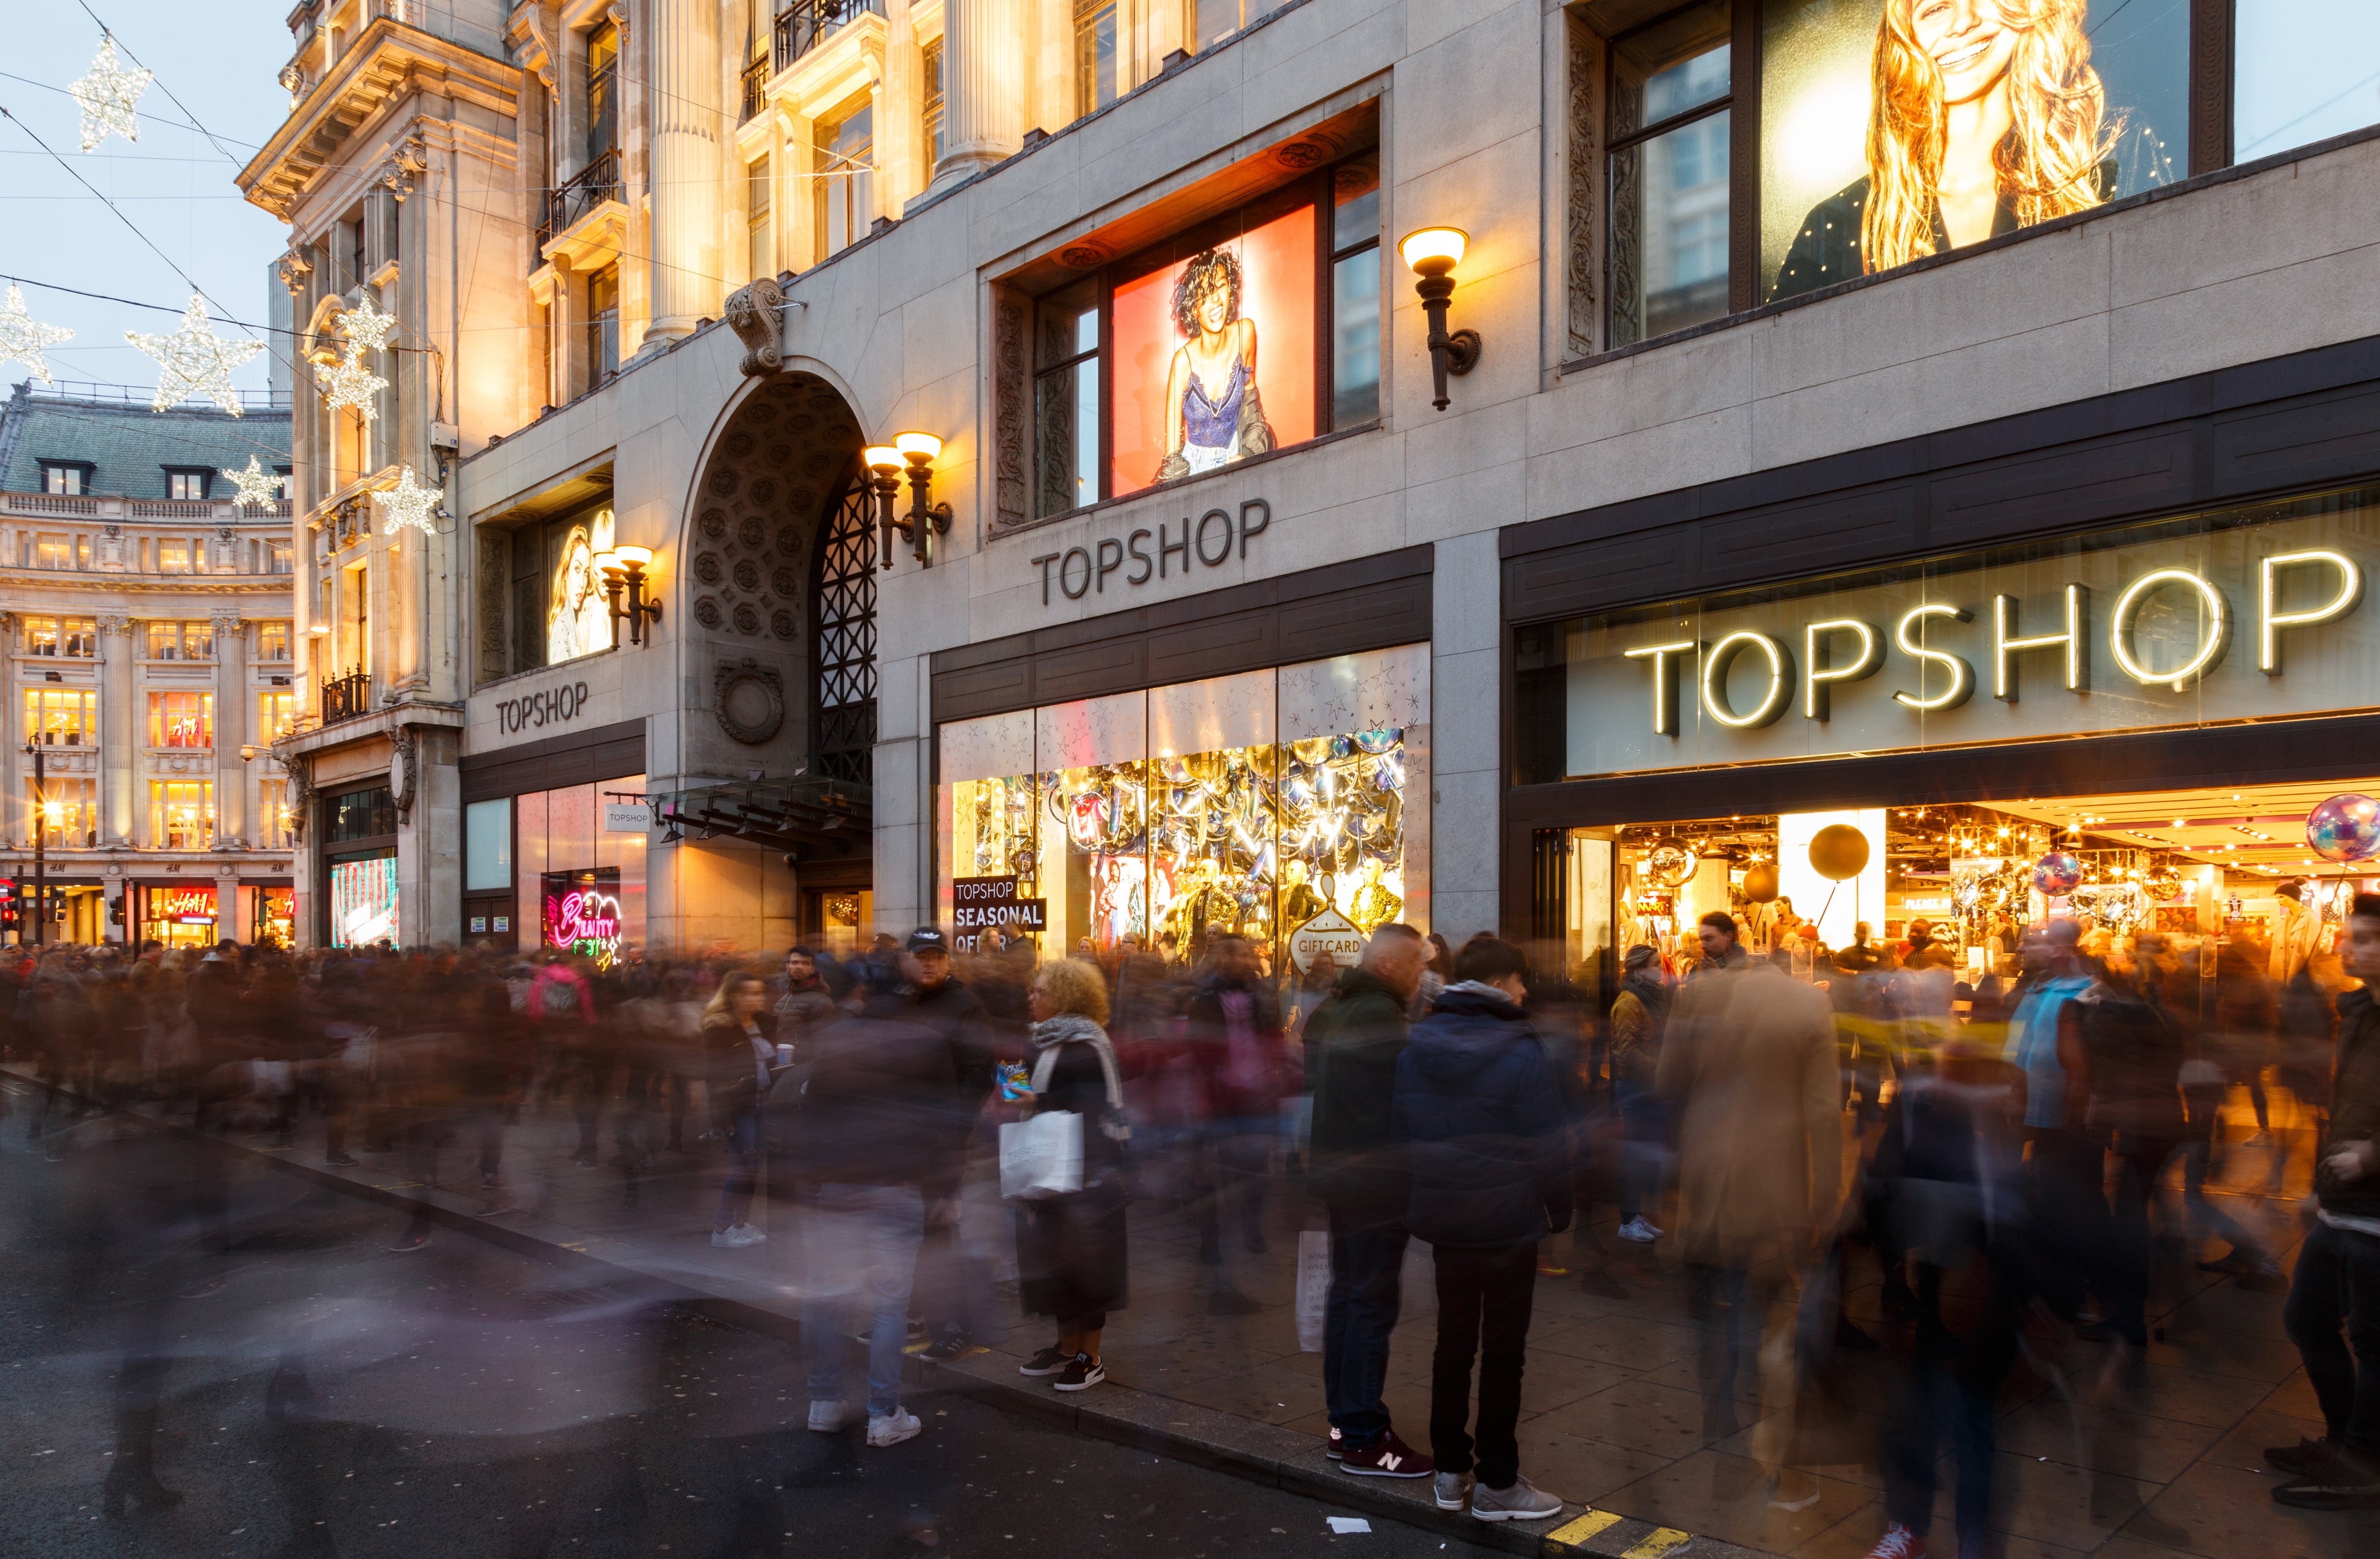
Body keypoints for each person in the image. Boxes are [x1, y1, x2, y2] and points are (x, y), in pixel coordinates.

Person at [1769, 0, 2130, 303]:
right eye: (1936, 8)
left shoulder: (2099, 174)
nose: (1963, 22)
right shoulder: (1839, 221)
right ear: (1904, 36)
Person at [1658, 910, 1842, 1503]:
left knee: (1710, 1321)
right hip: (1772, 1189)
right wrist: (1824, 1198)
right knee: (1757, 1318)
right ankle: (1760, 1452)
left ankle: (1719, 1427)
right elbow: (1821, 1112)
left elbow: (1667, 1082)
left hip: (1706, 1179)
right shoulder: (1808, 1006)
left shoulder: (1699, 996)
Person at [1393, 935, 1570, 1521]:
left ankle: (1450, 1472)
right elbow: (1546, 1140)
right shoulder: (1520, 1045)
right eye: (1520, 981)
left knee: (1453, 1340)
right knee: (1502, 1350)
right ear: (1499, 984)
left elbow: (1402, 1127)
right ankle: (1497, 1482)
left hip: (1447, 1217)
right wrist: (1560, 1206)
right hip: (1507, 1219)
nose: (1525, 991)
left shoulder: (1420, 1039)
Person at [791, 955, 977, 1449]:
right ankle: (883, 1413)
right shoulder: (926, 1043)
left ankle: (825, 1403)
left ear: (861, 995)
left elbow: (812, 1117)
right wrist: (946, 1191)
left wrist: (809, 1182)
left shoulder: (833, 1041)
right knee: (890, 1306)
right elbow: (945, 1123)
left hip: (838, 1187)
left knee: (829, 1299)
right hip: (898, 1187)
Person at [1305, 923, 1435, 1478]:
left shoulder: (1336, 1007)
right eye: (1414, 964)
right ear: (1387, 964)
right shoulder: (1380, 1016)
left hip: (1341, 1174)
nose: (1420, 975)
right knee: (1369, 1302)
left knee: (1347, 1293)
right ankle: (1363, 1434)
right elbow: (1407, 1100)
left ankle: (1344, 1424)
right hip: (1375, 1181)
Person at [2269, 891, 2380, 1509]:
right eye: (2349, 934)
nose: (2347, 946)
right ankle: (2342, 1440)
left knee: (2372, 1339)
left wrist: (2371, 1155)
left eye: (2363, 937)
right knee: (2306, 1318)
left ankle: (2363, 1462)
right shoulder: (2361, 1010)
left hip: (2375, 1207)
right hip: (2343, 1201)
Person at [1012, 957, 1131, 1393]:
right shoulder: (1039, 1041)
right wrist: (1013, 1088)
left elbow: (1087, 1111)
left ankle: (1090, 1356)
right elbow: (1022, 1092)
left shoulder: (1087, 1045)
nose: (1032, 997)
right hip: (1046, 1168)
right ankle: (1065, 1347)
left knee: (1089, 1265)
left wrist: (1033, 1102)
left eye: (1040, 991)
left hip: (1086, 1172)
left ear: (1064, 997)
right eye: (1032, 990)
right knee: (1053, 1260)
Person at [1156, 246, 1274, 482]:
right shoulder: (1183, 362)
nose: (1216, 300)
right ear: (1193, 307)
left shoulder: (1245, 334)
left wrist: (1247, 456)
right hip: (1193, 472)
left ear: (1230, 289)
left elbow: (1252, 410)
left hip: (1236, 457)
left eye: (1220, 286)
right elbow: (1171, 452)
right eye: (1204, 294)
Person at [700, 971, 778, 1248]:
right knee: (742, 1169)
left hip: (763, 1104)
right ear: (733, 996)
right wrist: (723, 1117)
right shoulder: (720, 1029)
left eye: (758, 992)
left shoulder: (765, 1023)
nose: (755, 998)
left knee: (754, 1168)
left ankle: (741, 1223)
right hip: (739, 1108)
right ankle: (721, 1230)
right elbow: (714, 1076)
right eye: (748, 993)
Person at [1608, 944, 1669, 1243]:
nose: (1661, 968)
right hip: (1635, 1086)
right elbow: (1625, 1051)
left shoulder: (1650, 999)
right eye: (1655, 964)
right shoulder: (1629, 1003)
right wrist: (1660, 1068)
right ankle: (1628, 1218)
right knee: (1635, 1153)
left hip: (1648, 1085)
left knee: (1645, 1152)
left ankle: (1636, 1214)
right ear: (1639, 970)